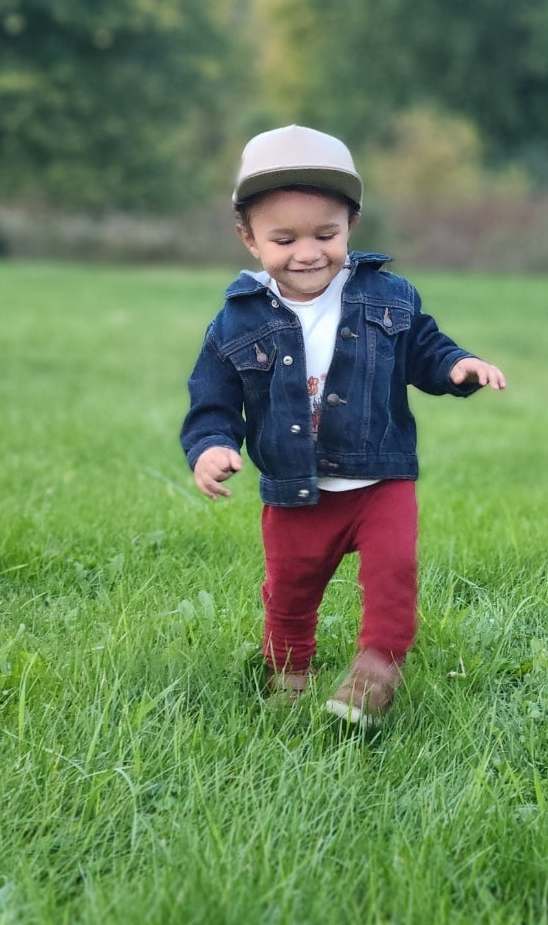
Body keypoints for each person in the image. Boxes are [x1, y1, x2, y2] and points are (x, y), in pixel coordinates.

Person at [181, 124, 506, 730]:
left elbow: (426, 349)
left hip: (380, 478)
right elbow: (213, 401)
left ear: (351, 225)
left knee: (392, 574)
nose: (307, 252)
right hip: (294, 488)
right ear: (249, 239)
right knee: (290, 592)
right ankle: (287, 678)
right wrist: (212, 446)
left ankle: (376, 670)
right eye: (284, 239)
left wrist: (458, 367)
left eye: (325, 234)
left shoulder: (387, 296)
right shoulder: (234, 324)